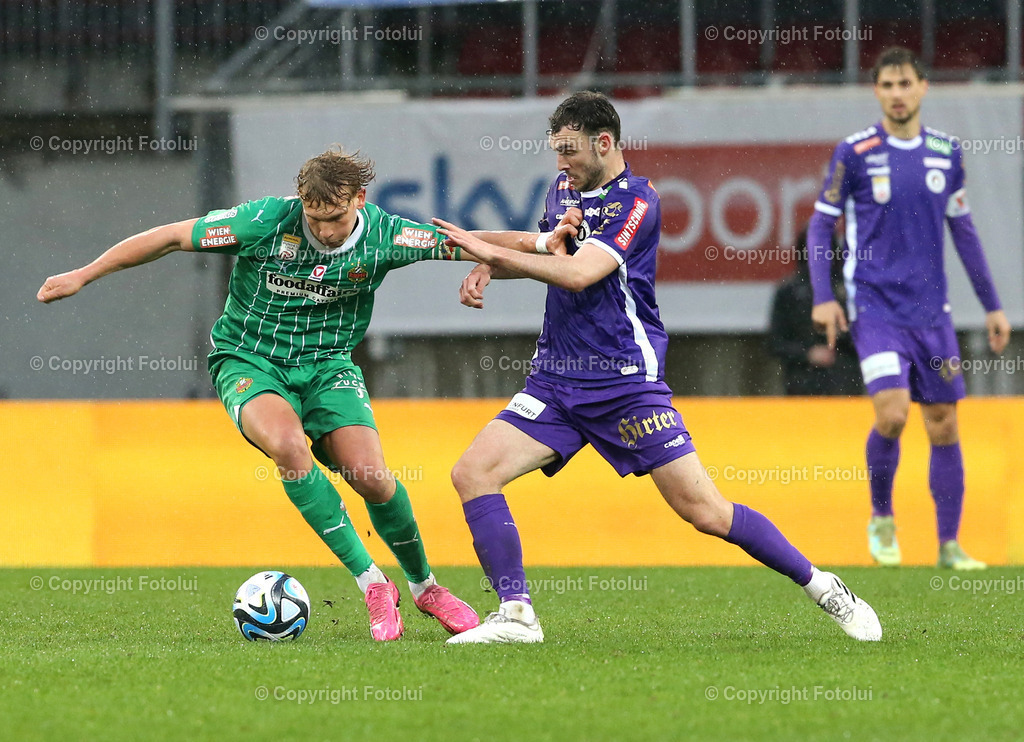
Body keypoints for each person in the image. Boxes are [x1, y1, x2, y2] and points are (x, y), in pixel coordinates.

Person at [35, 147, 564, 641]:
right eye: (314, 219)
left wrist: (544, 243)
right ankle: (372, 582)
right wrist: (85, 274)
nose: (324, 230)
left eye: (333, 219)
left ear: (359, 199)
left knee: (373, 479)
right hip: (250, 360)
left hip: (328, 367)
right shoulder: (265, 220)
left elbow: (472, 240)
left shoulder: (387, 236)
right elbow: (173, 236)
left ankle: (426, 588)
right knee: (288, 446)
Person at [433, 91, 882, 644]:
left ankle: (824, 587)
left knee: (707, 512)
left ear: (604, 143)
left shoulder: (637, 201)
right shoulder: (563, 190)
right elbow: (547, 250)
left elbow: (579, 274)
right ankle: (517, 614)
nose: (560, 163)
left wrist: (494, 257)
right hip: (556, 383)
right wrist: (482, 257)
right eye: (555, 152)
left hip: (625, 386)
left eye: (569, 150)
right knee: (473, 472)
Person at [807, 47, 1011, 570]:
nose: (897, 94)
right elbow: (818, 224)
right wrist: (825, 298)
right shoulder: (853, 152)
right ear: (877, 92)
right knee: (894, 414)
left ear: (924, 88)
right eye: (888, 85)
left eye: (906, 84)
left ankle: (948, 545)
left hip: (933, 315)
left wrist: (992, 306)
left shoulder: (947, 152)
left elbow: (963, 232)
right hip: (875, 311)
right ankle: (881, 516)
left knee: (943, 422)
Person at [767, 229, 862, 395]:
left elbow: (870, 337)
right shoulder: (789, 291)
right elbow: (776, 342)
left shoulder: (850, 290)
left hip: (844, 382)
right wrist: (808, 353)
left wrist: (842, 333)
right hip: (803, 383)